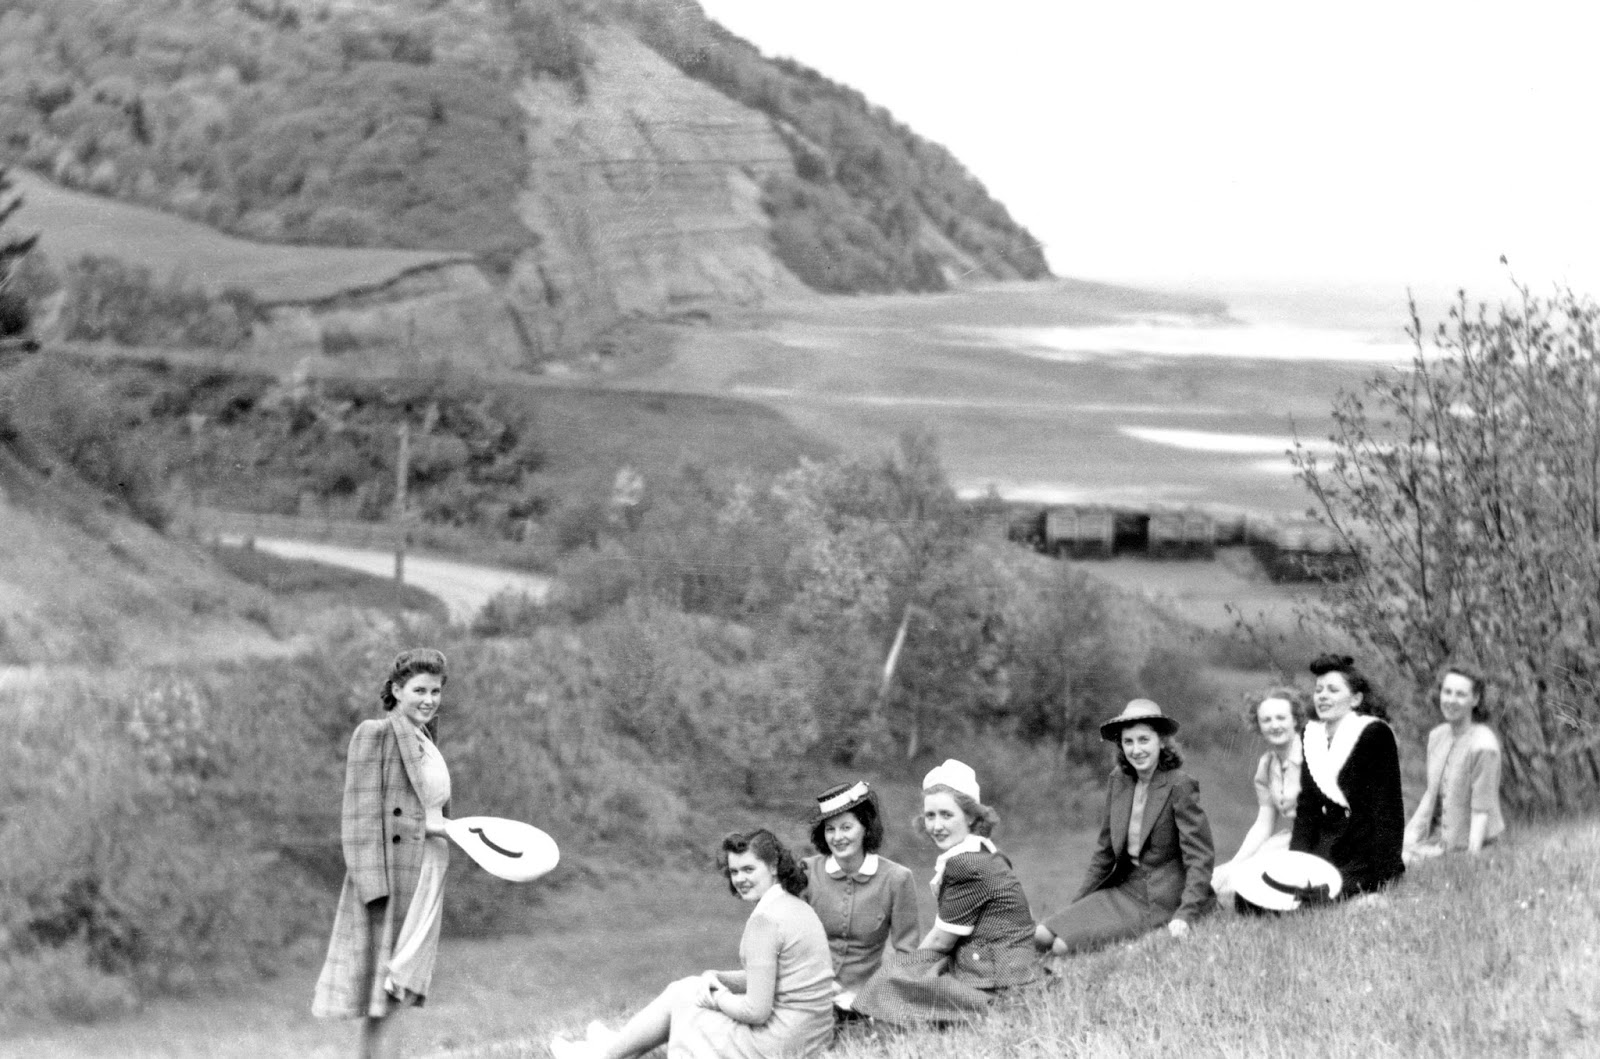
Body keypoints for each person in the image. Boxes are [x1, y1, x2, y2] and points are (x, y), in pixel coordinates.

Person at [550, 829, 834, 1059]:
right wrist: (721, 978)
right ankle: (617, 1046)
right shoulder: (795, 905)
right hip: (812, 1034)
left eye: (749, 869)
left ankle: (608, 1053)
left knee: (686, 1001)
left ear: (773, 866)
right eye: (735, 872)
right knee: (686, 987)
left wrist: (716, 996)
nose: (741, 880)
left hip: (779, 1044)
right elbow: (779, 977)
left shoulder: (765, 921)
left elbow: (755, 1012)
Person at [312, 648, 453, 1059]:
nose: (429, 699)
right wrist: (374, 889)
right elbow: (359, 817)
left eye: (436, 691)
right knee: (386, 990)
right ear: (396, 690)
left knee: (398, 991)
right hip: (391, 878)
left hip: (427, 870)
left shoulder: (425, 737)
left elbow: (430, 806)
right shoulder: (376, 734)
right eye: (419, 690)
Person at [851, 760, 1042, 1024]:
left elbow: (941, 942)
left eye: (946, 815)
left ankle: (866, 1018)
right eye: (930, 816)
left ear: (972, 816)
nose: (936, 826)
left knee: (891, 979)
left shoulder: (966, 864)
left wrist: (904, 971)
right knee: (908, 974)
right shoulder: (988, 853)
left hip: (995, 985)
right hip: (1009, 972)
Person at [1034, 699, 1216, 954]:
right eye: (1128, 741)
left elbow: (1200, 858)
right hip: (1123, 888)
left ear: (1161, 741)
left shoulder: (1179, 785)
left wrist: (1185, 915)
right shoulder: (1119, 781)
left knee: (1061, 947)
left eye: (1144, 740)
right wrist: (1077, 905)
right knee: (1041, 935)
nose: (1136, 750)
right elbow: (1105, 851)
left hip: (1159, 898)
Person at [1290, 653, 1405, 895]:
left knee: (1316, 899)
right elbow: (1307, 809)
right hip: (1325, 848)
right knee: (1252, 900)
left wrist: (1383, 878)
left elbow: (1387, 810)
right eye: (1319, 690)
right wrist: (1296, 864)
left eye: (1332, 690)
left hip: (1363, 854)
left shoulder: (1374, 733)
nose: (1322, 696)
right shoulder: (1311, 736)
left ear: (1355, 699)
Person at [801, 781, 921, 1006]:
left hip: (867, 999)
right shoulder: (807, 872)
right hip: (812, 994)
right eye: (830, 829)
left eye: (846, 827)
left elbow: (906, 953)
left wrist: (881, 997)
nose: (837, 837)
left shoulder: (897, 878)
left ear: (865, 827)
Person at [1403, 663, 1506, 863]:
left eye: (1460, 694)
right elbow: (1431, 794)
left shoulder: (1484, 745)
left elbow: (1481, 809)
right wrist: (1409, 837)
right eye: (1447, 692)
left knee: (1396, 862)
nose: (1451, 700)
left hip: (1471, 844)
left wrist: (1472, 857)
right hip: (1437, 839)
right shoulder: (1437, 736)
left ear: (1475, 699)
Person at [1212, 688, 1306, 906]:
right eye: (1266, 720)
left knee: (1249, 885)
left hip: (1321, 842)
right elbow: (1263, 825)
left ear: (1295, 720)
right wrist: (1234, 864)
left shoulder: (1312, 755)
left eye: (1281, 718)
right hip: (1290, 840)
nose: (1274, 725)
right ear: (1258, 725)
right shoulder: (1267, 765)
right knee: (1220, 879)